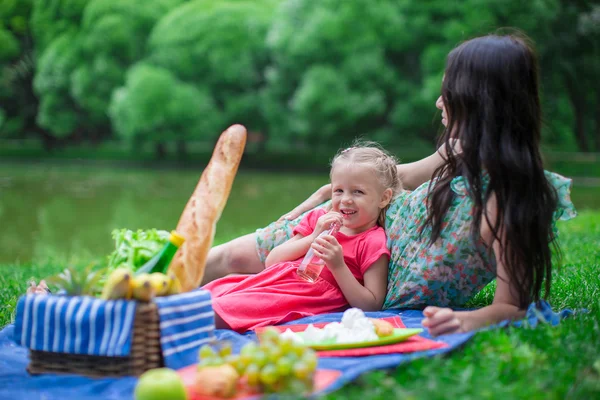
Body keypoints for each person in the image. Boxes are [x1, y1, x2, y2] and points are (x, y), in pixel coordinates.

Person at [203, 33, 576, 336]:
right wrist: (321, 198)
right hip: (346, 220)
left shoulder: (511, 199)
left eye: (448, 93)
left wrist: (467, 319)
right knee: (228, 258)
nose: (437, 102)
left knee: (241, 280)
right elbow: (396, 176)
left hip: (361, 269)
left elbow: (512, 306)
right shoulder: (459, 149)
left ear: (479, 102)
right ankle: (148, 294)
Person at [203, 143, 403, 332]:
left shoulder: (371, 241)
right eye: (339, 190)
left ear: (384, 198)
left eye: (358, 192)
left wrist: (338, 265)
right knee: (214, 291)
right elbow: (273, 261)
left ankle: (181, 330)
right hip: (276, 281)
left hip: (302, 296)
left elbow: (371, 305)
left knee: (224, 309)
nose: (346, 200)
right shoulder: (319, 219)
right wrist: (313, 237)